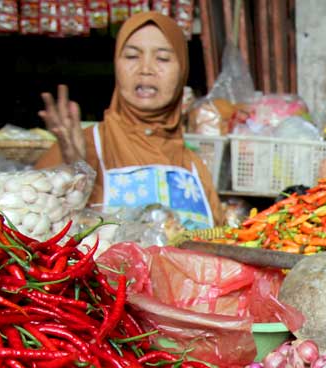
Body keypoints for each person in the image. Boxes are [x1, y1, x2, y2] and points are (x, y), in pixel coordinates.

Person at [35, 11, 223, 228]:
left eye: (162, 58)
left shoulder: (195, 168)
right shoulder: (86, 146)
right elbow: (36, 234)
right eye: (132, 56)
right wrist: (73, 171)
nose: (145, 70)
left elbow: (217, 245)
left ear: (182, 72)